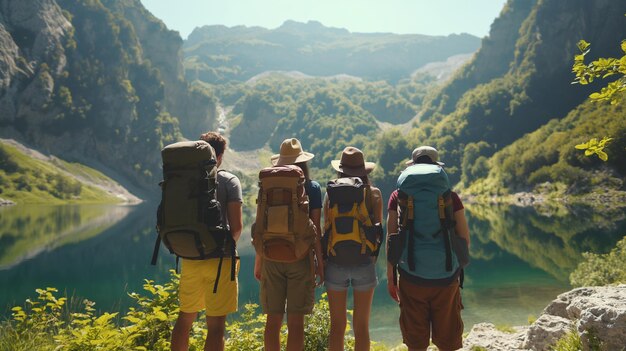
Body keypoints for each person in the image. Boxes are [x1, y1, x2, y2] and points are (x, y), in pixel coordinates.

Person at [386, 146, 470, 351]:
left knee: (416, 343)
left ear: (413, 166)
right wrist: (458, 269)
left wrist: (391, 277)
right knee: (448, 342)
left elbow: (392, 240)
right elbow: (464, 238)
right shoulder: (451, 196)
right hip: (446, 276)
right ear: (436, 166)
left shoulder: (398, 196)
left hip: (411, 276)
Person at [170, 132, 243, 351]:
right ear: (219, 156)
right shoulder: (229, 181)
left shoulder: (185, 181)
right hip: (220, 260)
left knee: (184, 319)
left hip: (191, 256)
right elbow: (237, 228)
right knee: (216, 325)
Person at [253, 138, 324, 351]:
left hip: (271, 257)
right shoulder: (312, 188)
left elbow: (260, 226)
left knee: (272, 322)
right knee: (295, 324)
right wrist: (320, 263)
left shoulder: (267, 187)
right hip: (300, 259)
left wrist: (259, 261)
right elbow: (315, 231)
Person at [323, 147, 383, 351]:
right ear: (364, 171)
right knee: (362, 327)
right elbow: (378, 232)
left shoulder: (330, 195)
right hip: (364, 261)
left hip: (335, 262)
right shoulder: (374, 194)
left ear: (340, 170)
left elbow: (326, 229)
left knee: (337, 326)